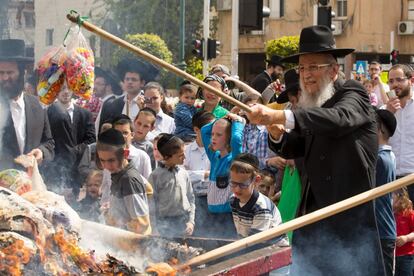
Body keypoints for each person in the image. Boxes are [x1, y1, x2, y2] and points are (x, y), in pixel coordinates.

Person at [246, 25, 384, 275]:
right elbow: (294, 147)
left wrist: (278, 116)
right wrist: (276, 133)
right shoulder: (311, 106)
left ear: (333, 70)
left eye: (313, 67)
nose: (306, 75)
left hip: (348, 220)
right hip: (313, 220)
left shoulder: (353, 93)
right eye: (301, 68)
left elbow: (338, 118)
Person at [0, 39, 54, 170]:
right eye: (1, 73)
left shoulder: (37, 105)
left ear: (23, 73)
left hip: (29, 185)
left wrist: (41, 152)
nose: (5, 78)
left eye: (10, 73)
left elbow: (49, 143)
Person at [96, 128, 151, 235]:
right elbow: (149, 189)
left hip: (132, 246)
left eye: (111, 160)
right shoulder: (119, 173)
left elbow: (141, 225)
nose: (106, 166)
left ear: (125, 154)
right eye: (102, 160)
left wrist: (117, 222)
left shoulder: (129, 179)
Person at [200, 112, 245, 238]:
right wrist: (221, 119)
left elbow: (236, 139)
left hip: (228, 217)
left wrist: (237, 122)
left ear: (228, 138)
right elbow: (204, 131)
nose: (213, 138)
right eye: (213, 134)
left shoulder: (234, 160)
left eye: (219, 135)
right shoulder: (214, 157)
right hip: (211, 215)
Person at [46, 84, 96, 195]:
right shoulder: (48, 112)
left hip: (77, 167)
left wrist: (74, 151)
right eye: (62, 88)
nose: (66, 92)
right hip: (55, 167)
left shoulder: (85, 114)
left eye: (69, 88)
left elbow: (91, 139)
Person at [229, 153, 285, 241]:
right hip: (248, 244)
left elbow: (255, 242)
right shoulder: (233, 199)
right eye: (233, 183)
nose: (237, 189)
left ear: (256, 180)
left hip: (273, 248)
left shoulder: (261, 208)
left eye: (243, 185)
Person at [148, 134, 195, 237]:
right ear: (166, 157)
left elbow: (191, 198)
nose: (185, 157)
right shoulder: (155, 176)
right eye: (180, 155)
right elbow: (151, 205)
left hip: (184, 222)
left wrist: (191, 221)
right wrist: (154, 228)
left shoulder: (183, 173)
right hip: (165, 225)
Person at [98, 58, 158, 131]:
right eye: (127, 79)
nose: (130, 82)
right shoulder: (115, 103)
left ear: (142, 83)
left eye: (134, 79)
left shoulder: (148, 102)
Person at [374, 108, 397, 276]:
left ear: (379, 127)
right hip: (381, 231)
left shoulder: (381, 159)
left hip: (381, 232)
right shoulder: (387, 155)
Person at [184, 111, 215, 235]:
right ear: (197, 130)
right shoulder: (186, 151)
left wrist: (194, 174)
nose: (212, 134)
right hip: (193, 199)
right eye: (208, 129)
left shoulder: (218, 149)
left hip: (213, 199)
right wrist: (205, 174)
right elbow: (183, 175)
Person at [386, 64, 414, 202]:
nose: (395, 84)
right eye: (391, 81)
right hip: (391, 181)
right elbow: (378, 143)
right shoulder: (384, 111)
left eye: (399, 80)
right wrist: (387, 114)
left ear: (411, 80)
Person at [393, 188, 414, 276]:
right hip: (393, 256)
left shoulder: (409, 213)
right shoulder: (390, 214)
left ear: (400, 197)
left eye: (392, 196)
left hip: (407, 255)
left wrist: (406, 238)